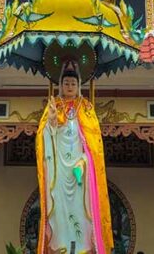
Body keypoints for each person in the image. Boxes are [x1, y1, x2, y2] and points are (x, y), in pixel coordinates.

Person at [36, 60, 113, 253]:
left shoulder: (86, 108)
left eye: (73, 83)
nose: (69, 87)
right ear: (60, 85)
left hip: (80, 169)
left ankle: (84, 247)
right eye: (66, 83)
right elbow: (43, 137)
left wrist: (85, 161)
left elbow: (94, 144)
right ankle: (59, 245)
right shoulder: (53, 106)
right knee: (59, 207)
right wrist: (51, 124)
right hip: (58, 170)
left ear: (79, 86)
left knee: (81, 208)